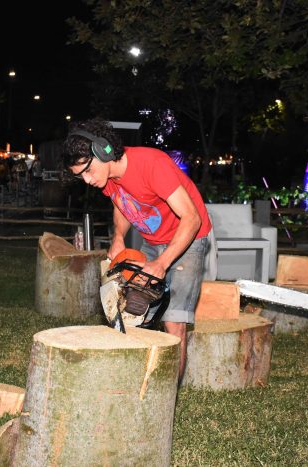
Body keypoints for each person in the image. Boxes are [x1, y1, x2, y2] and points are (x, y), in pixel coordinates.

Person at [62, 118, 212, 379]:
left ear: (104, 151)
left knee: (174, 319)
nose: (86, 180)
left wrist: (161, 264)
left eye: (87, 171)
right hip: (153, 240)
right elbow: (121, 203)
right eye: (80, 176)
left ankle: (169, 391)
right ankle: (144, 379)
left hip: (188, 238)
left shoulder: (151, 164)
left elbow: (192, 218)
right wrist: (118, 236)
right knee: (137, 311)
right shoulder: (108, 179)